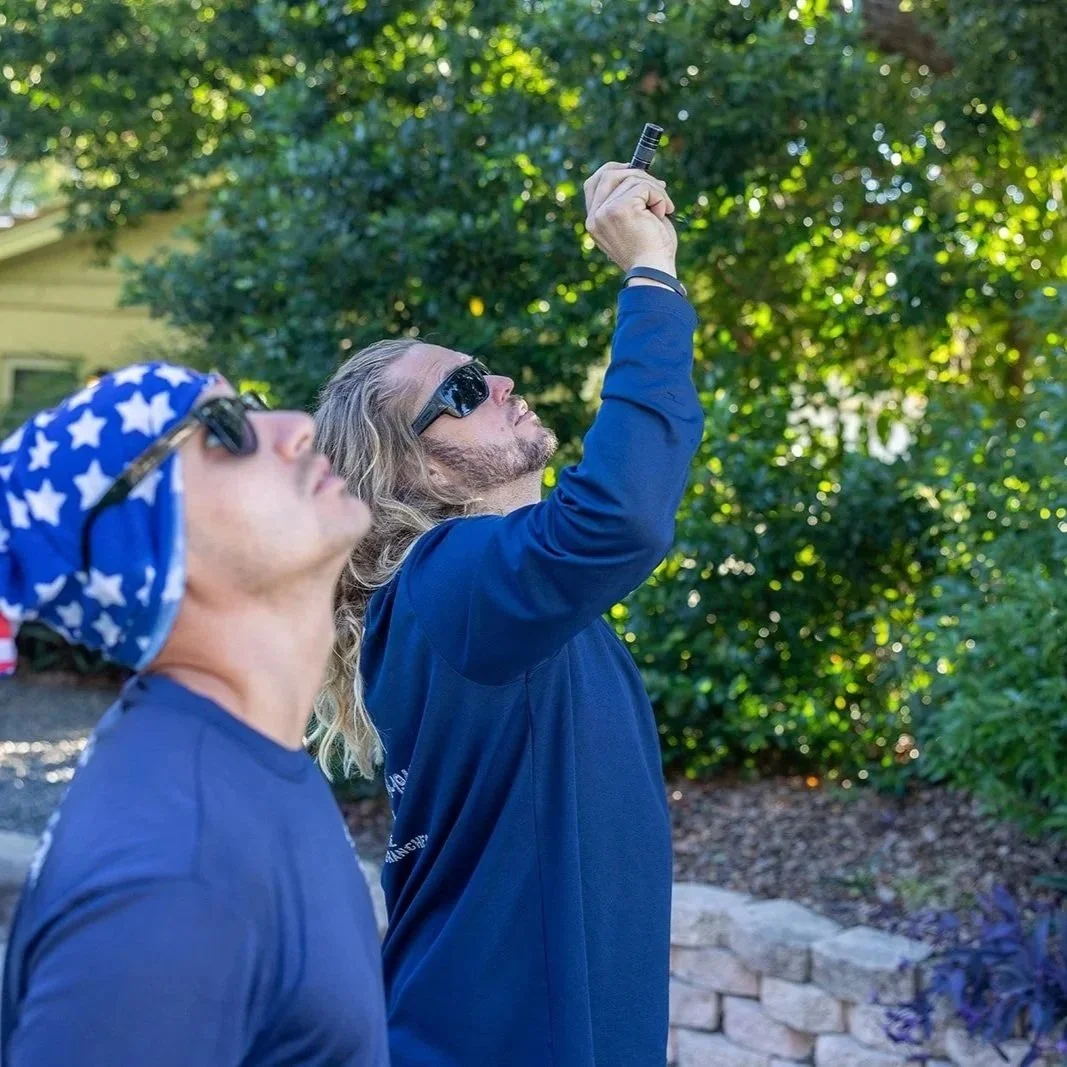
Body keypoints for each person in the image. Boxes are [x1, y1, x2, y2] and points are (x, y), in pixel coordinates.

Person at [311, 161, 704, 1065]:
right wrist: (649, 275)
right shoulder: (447, 578)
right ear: (406, 475)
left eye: (479, 371)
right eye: (456, 395)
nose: (497, 385)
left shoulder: (487, 601)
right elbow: (621, 514)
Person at [0, 362, 390, 1066]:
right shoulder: (171, 873)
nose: (298, 427)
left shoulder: (243, 766)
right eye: (221, 432)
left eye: (253, 405)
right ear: (142, 547)